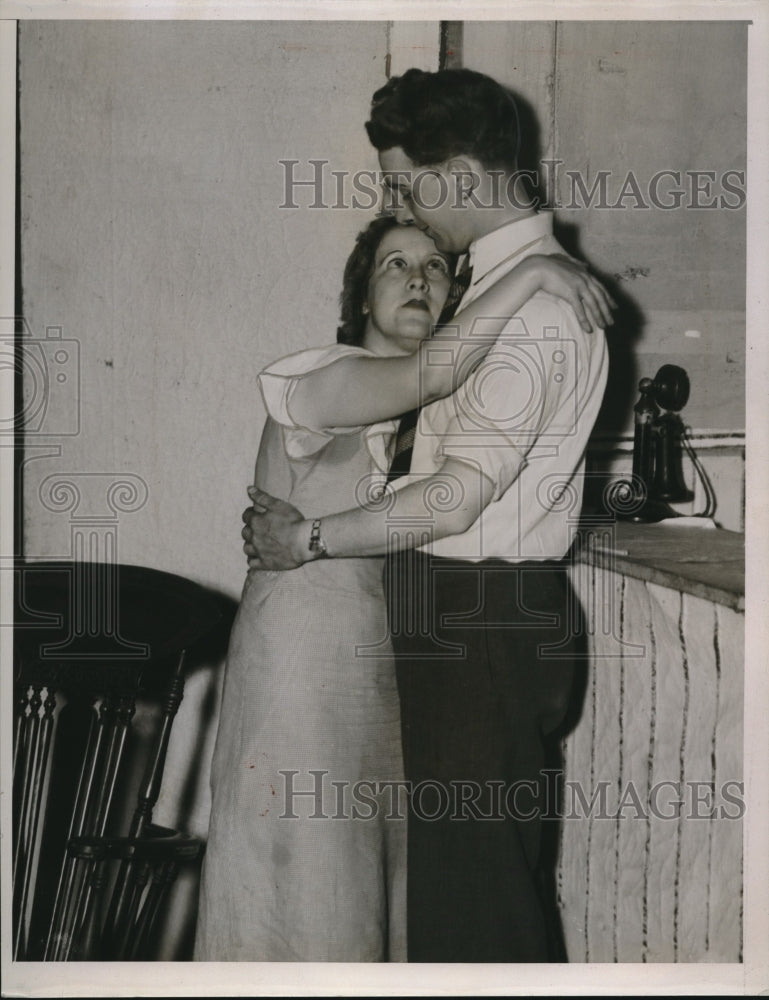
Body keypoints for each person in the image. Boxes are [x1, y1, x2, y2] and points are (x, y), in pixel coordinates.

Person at [242, 68, 613, 963]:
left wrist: (310, 540)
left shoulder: (535, 300)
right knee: (460, 895)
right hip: (468, 614)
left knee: (476, 910)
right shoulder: (520, 285)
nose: (409, 207)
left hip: (476, 613)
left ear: (453, 176)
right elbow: (430, 373)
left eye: (410, 187)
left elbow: (455, 498)